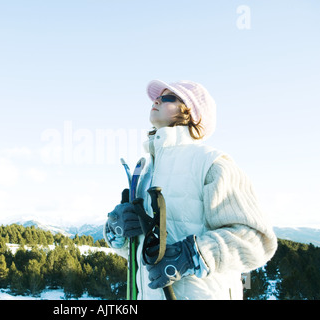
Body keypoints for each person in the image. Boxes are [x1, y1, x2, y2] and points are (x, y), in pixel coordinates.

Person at [104, 79, 277, 300]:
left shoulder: (212, 163)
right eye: (158, 97)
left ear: (191, 112)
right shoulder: (144, 168)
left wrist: (192, 256)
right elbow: (139, 252)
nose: (156, 100)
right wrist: (117, 232)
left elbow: (256, 240)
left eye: (168, 98)